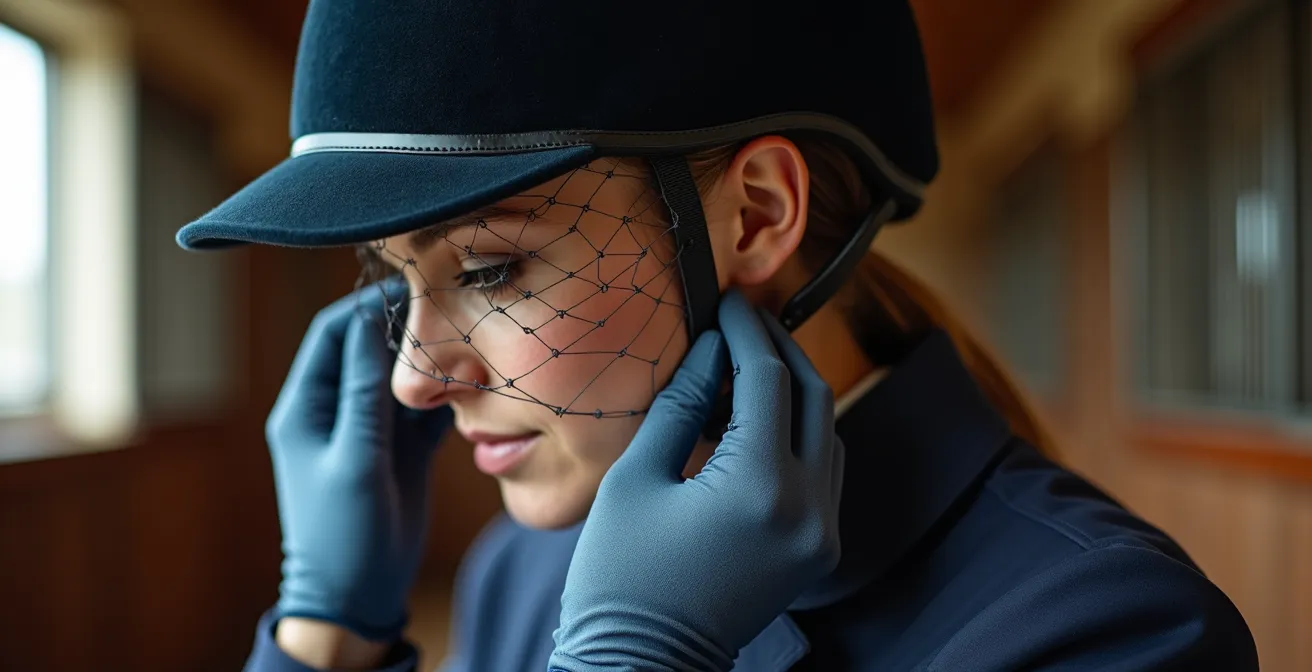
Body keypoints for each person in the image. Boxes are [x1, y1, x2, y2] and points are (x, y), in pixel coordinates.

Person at [176, 0, 1260, 670]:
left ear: (754, 217)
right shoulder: (525, 568)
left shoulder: (1112, 632)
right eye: (392, 278)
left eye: (490, 269)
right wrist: (326, 639)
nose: (414, 377)